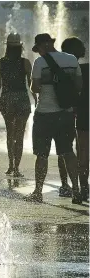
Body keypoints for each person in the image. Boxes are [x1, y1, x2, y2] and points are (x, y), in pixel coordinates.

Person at [25, 33, 83, 204]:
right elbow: (79, 85)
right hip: (66, 114)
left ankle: (38, 192)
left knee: (42, 154)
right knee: (67, 152)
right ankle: (76, 190)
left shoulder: (40, 62)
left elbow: (35, 88)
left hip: (45, 114)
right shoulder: (72, 59)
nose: (38, 52)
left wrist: (39, 81)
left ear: (44, 45)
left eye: (38, 49)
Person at [0, 33, 36, 177]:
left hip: (7, 100)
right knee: (20, 135)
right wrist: (35, 98)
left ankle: (10, 165)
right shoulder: (25, 62)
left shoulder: (0, 62)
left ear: (7, 46)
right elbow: (31, 84)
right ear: (20, 47)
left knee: (10, 134)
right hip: (22, 100)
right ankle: (17, 167)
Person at [60, 37, 89, 201]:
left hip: (79, 115)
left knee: (80, 153)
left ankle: (81, 188)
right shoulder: (86, 69)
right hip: (82, 114)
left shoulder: (63, 72)